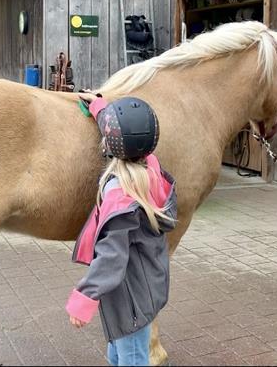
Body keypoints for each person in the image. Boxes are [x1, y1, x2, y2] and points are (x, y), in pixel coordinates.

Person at [65, 96, 177, 366]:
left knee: (130, 359)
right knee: (117, 352)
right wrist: (100, 107)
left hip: (130, 301)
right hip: (145, 288)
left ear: (110, 145)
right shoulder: (151, 168)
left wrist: (85, 297)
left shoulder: (119, 196)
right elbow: (131, 134)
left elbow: (112, 256)